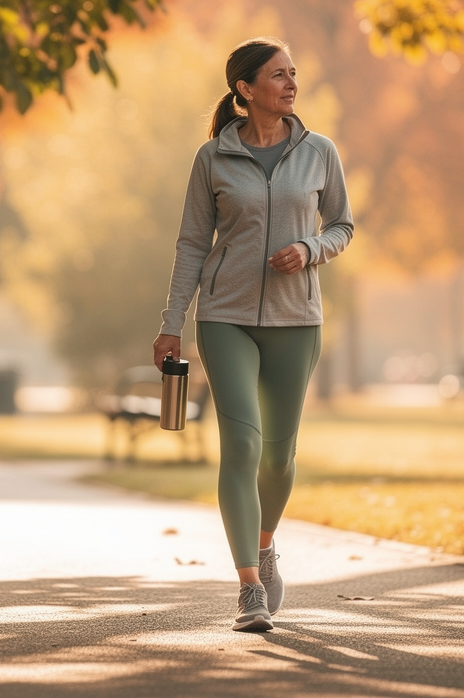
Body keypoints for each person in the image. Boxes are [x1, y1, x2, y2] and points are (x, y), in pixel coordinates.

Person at [152, 37, 354, 632]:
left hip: (297, 320)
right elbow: (191, 244)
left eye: (293, 74)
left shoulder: (319, 152)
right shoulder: (212, 159)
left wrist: (311, 249)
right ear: (245, 89)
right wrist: (170, 326)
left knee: (279, 457)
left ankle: (266, 546)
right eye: (277, 76)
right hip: (225, 317)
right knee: (240, 446)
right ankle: (248, 589)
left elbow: (342, 225)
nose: (290, 85)